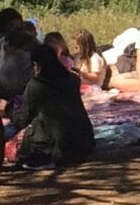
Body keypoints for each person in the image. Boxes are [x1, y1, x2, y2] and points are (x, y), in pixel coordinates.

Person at [12, 25, 96, 171]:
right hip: (84, 140)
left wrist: (9, 110)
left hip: (59, 146)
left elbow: (23, 120)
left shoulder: (37, 85)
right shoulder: (73, 79)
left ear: (36, 65)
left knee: (29, 130)